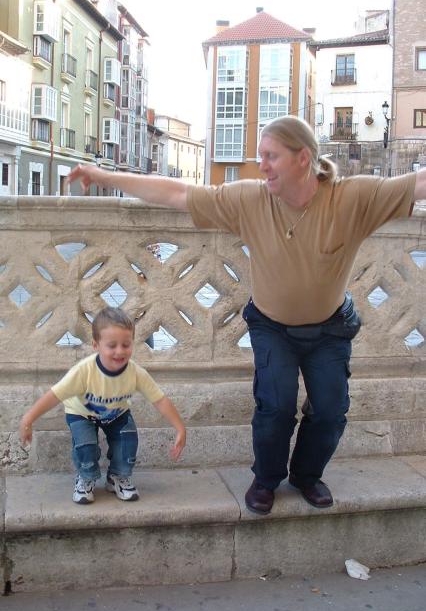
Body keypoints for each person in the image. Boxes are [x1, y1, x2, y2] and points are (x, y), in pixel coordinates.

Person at [67, 115, 426, 514]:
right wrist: (105, 175)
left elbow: (418, 184)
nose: (263, 166)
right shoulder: (252, 199)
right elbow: (177, 194)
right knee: (275, 405)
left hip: (330, 329)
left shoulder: (352, 198)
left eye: (271, 157)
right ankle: (266, 479)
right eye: (261, 157)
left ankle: (307, 475)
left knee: (330, 408)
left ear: (303, 158)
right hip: (272, 326)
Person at [19, 307, 186, 504]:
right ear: (95, 345)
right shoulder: (83, 371)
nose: (120, 351)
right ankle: (86, 477)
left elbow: (160, 400)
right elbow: (54, 395)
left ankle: (117, 476)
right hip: (81, 414)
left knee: (127, 441)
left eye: (126, 344)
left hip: (117, 413)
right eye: (112, 345)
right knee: (86, 447)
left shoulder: (135, 372)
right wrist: (28, 419)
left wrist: (180, 428)